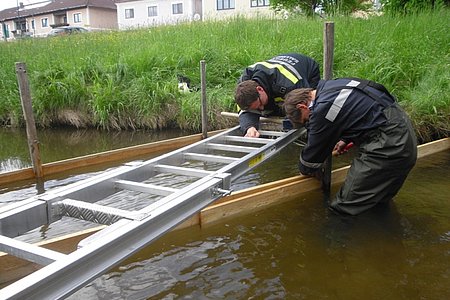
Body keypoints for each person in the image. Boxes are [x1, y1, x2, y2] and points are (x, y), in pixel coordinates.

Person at [283, 77, 417, 215]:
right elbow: (361, 110)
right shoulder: (333, 85)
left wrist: (304, 169)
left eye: (306, 120)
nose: (309, 123)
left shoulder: (323, 108)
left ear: (302, 106)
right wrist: (346, 138)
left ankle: (334, 236)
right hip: (404, 134)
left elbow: (312, 155)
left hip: (389, 146)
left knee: (343, 209)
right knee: (376, 202)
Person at [234, 53, 320, 137]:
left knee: (298, 111)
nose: (261, 108)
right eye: (257, 107)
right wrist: (249, 127)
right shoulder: (243, 87)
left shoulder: (290, 84)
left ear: (260, 89)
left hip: (307, 69)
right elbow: (244, 111)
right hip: (275, 75)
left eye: (260, 104)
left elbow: (305, 106)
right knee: (268, 110)